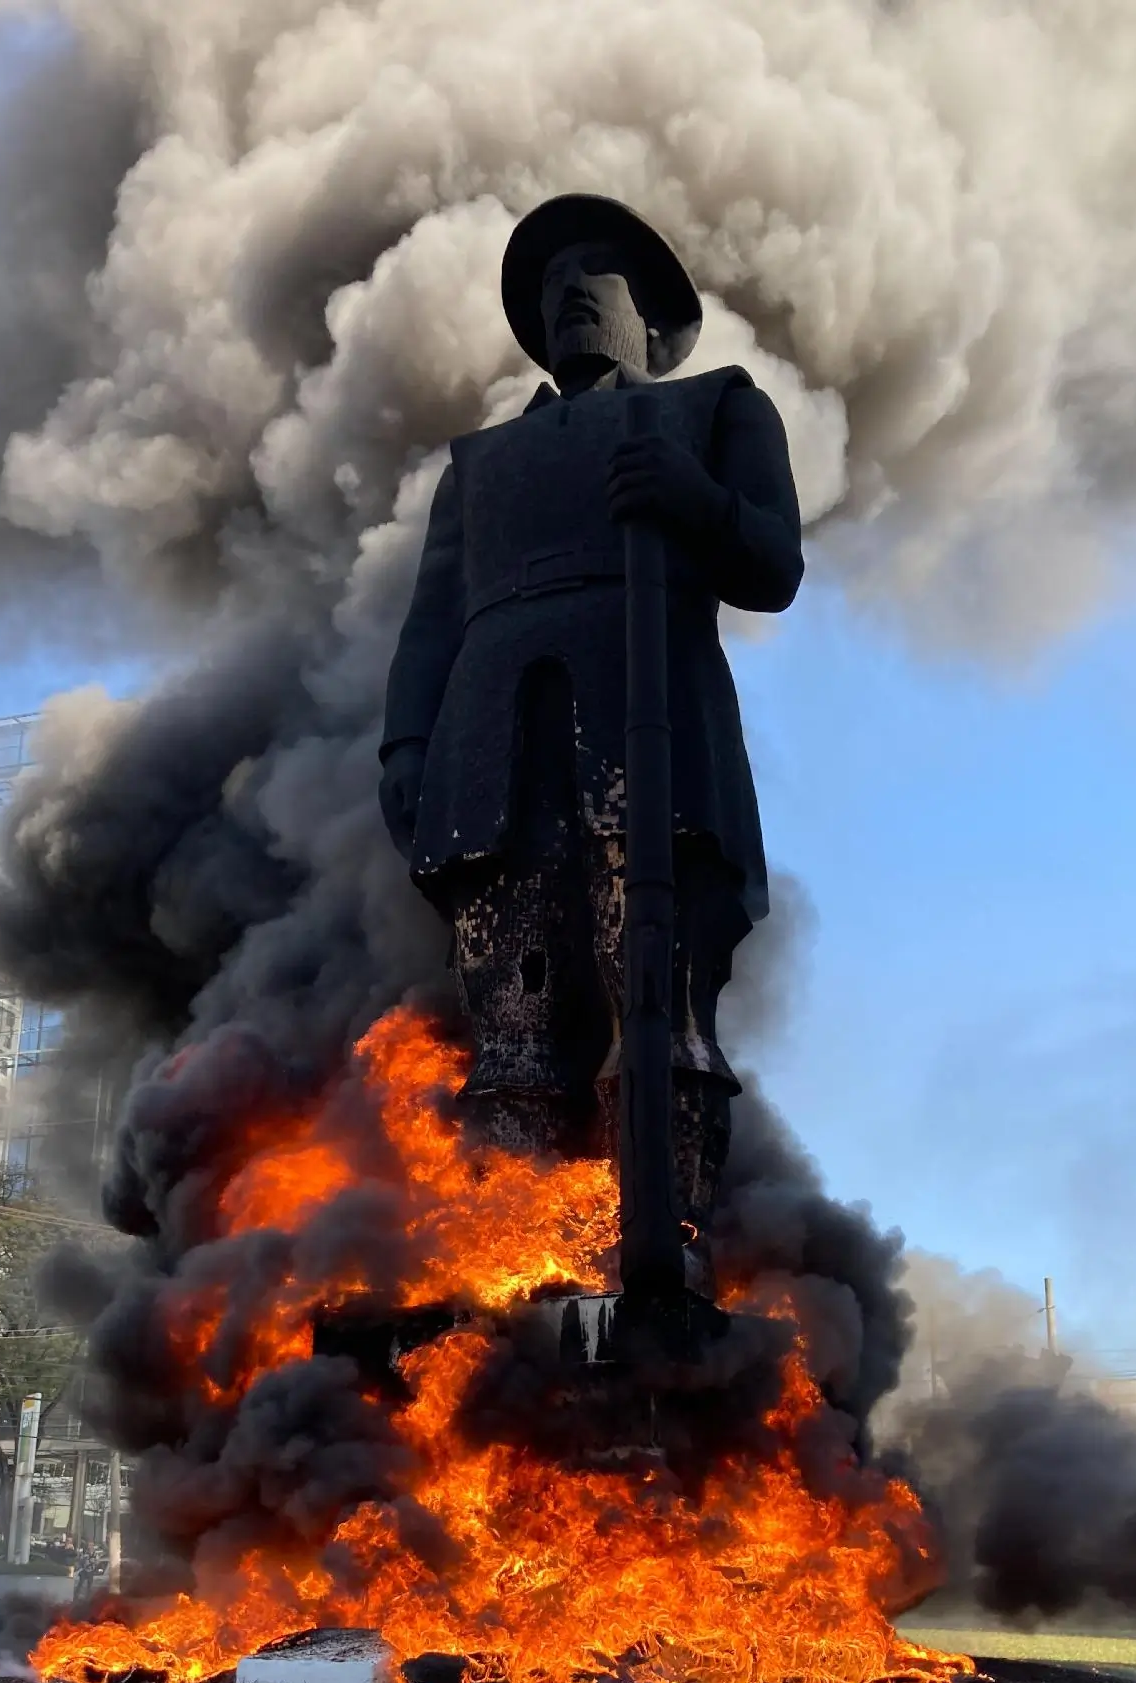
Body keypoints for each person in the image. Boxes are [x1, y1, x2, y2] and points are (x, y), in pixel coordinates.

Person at [379, 194, 803, 1285]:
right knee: (508, 1027)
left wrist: (695, 502)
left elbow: (772, 563)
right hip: (493, 751)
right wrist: (405, 750)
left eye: (596, 274)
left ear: (648, 321)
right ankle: (517, 1262)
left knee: (656, 1008)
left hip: (651, 746)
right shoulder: (476, 467)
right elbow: (431, 622)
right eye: (553, 276)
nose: (569, 289)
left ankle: (665, 1253)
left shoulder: (714, 408)